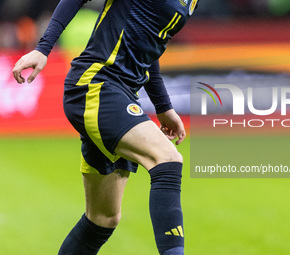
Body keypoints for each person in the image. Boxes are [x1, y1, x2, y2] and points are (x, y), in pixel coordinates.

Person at [12, 0, 199, 254]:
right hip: (96, 84)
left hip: (120, 93)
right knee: (167, 159)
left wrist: (164, 107)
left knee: (102, 218)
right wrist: (43, 48)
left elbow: (149, 46)